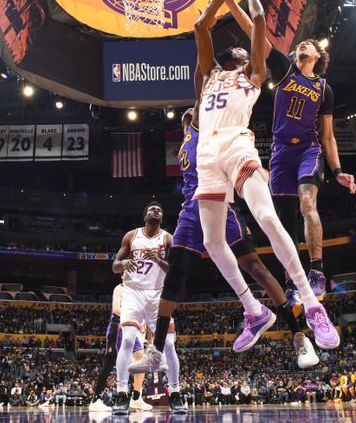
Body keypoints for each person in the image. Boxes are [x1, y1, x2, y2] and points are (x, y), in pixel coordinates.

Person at [178, 0, 339, 350]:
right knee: (213, 243)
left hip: (236, 146)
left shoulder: (253, 73)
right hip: (206, 156)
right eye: (228, 50)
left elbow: (260, 23)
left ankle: (313, 305)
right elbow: (201, 27)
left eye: (239, 48)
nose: (231, 49)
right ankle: (254, 310)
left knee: (266, 218)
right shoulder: (208, 75)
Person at [129, 106, 319, 386]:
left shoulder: (209, 132)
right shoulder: (187, 141)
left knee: (256, 267)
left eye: (193, 114)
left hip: (219, 204)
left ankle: (299, 336)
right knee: (175, 275)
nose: (191, 116)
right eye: (187, 117)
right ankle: (156, 351)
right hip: (190, 211)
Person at [218, 0, 356, 298]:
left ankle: (317, 272)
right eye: (300, 44)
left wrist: (337, 171)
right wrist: (228, 0)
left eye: (308, 44)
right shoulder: (283, 69)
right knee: (281, 226)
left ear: (318, 57)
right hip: (280, 154)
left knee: (308, 203)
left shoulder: (324, 88)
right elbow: (255, 32)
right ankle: (295, 284)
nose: (302, 44)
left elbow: (328, 136)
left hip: (308, 150)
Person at [110, 202, 180, 414]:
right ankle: (122, 393)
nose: (156, 210)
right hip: (132, 292)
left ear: (162, 217)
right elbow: (114, 265)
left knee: (168, 344)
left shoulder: (168, 238)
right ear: (145, 216)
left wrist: (158, 259)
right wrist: (122, 264)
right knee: (129, 340)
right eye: (151, 209)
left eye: (159, 209)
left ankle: (175, 393)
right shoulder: (131, 236)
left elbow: (175, 270)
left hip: (158, 294)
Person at [88, 284, 152, 412]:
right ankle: (95, 400)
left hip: (131, 328)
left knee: (141, 360)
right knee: (109, 364)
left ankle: (136, 397)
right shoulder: (119, 288)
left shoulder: (137, 291)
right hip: (118, 327)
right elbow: (117, 310)